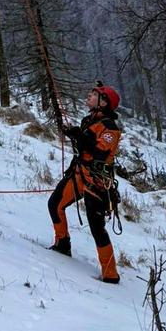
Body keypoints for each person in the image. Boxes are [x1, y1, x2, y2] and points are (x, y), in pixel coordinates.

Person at [48, 81, 122, 284]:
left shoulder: (110, 128)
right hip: (79, 174)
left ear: (104, 102)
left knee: (96, 226)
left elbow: (100, 152)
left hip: (97, 181)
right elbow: (84, 147)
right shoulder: (88, 120)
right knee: (55, 204)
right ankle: (62, 243)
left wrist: (79, 136)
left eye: (93, 94)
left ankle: (110, 273)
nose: (88, 96)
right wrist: (74, 134)